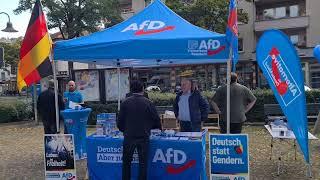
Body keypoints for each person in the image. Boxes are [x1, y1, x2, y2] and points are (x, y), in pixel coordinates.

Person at [117, 80, 161, 180]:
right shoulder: (148, 102)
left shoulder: (125, 102)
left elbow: (119, 123)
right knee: (143, 163)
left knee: (126, 163)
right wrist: (150, 128)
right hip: (143, 136)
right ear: (142, 89)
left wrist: (126, 130)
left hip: (129, 136)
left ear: (131, 90)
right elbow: (157, 120)